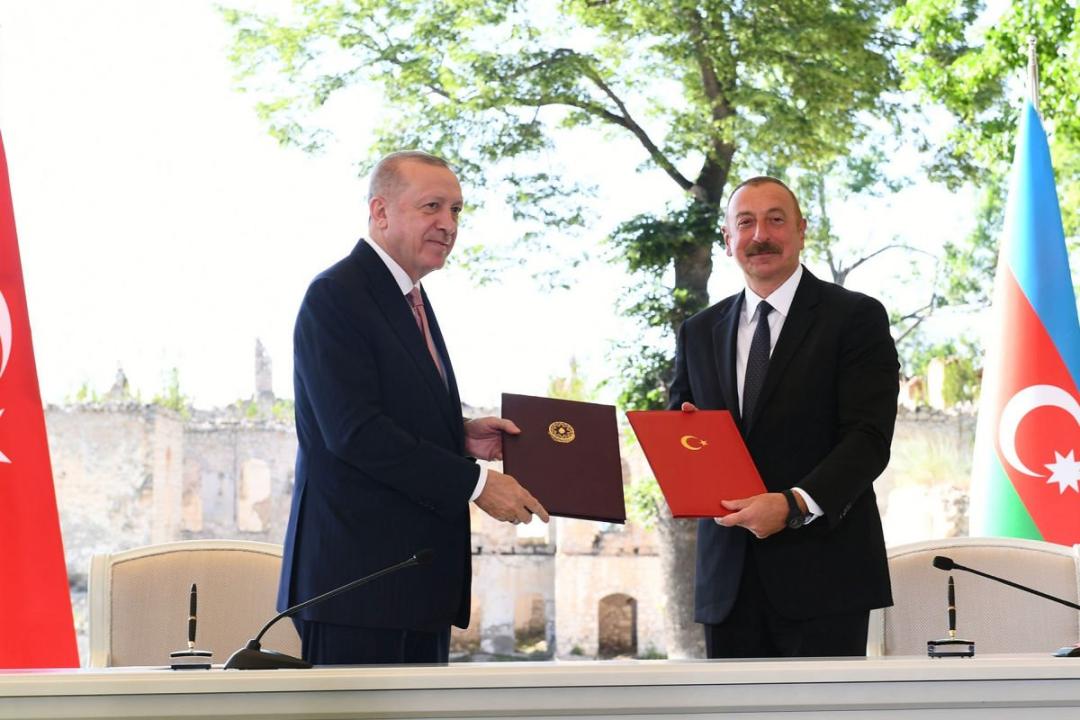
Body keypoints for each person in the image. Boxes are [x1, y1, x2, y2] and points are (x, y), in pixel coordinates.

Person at [279, 150, 549, 665]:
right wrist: (476, 483)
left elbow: (389, 410)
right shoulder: (336, 295)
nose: (448, 224)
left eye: (456, 210)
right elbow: (355, 432)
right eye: (432, 207)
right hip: (358, 588)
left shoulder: (410, 298)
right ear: (380, 211)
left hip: (417, 585)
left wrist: (460, 433)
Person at [668, 176, 898, 658]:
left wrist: (794, 504)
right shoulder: (698, 331)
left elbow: (868, 438)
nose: (760, 236)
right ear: (727, 239)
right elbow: (678, 432)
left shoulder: (856, 317)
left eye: (775, 220)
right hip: (727, 583)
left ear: (801, 230)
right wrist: (685, 439)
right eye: (745, 223)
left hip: (825, 578)